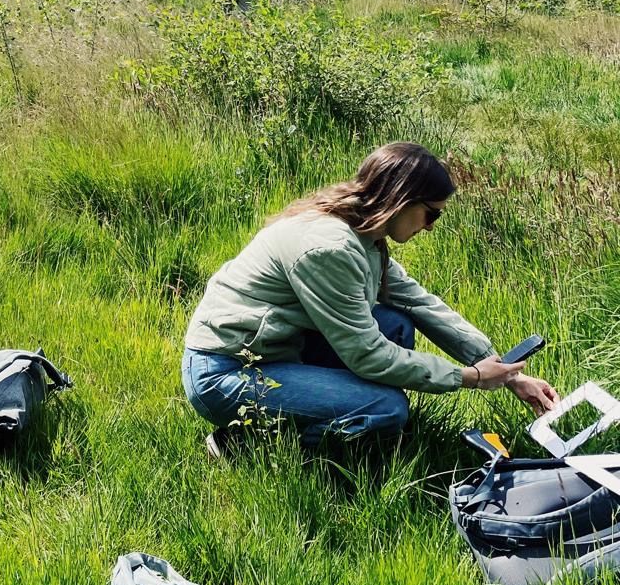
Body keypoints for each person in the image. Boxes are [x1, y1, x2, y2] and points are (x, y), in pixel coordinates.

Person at [181, 142, 557, 454]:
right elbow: (368, 355)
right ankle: (248, 445)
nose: (429, 228)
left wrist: (507, 376)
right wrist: (469, 377)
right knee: (386, 408)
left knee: (395, 324)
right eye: (431, 215)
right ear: (402, 199)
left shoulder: (362, 231)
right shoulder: (328, 248)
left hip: (275, 351)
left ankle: (347, 422)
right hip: (228, 373)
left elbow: (419, 302)